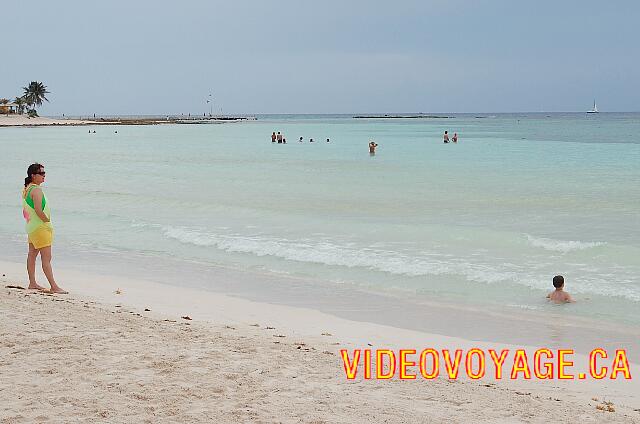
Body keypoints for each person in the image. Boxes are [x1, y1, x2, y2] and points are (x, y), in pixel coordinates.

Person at [22, 163, 67, 294]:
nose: (44, 176)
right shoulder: (36, 190)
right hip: (41, 228)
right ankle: (54, 286)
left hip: (32, 227)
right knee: (46, 258)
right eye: (41, 173)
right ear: (33, 175)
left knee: (32, 254)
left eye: (44, 173)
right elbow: (37, 209)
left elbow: (27, 210)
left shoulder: (27, 188)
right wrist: (46, 220)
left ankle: (32, 283)